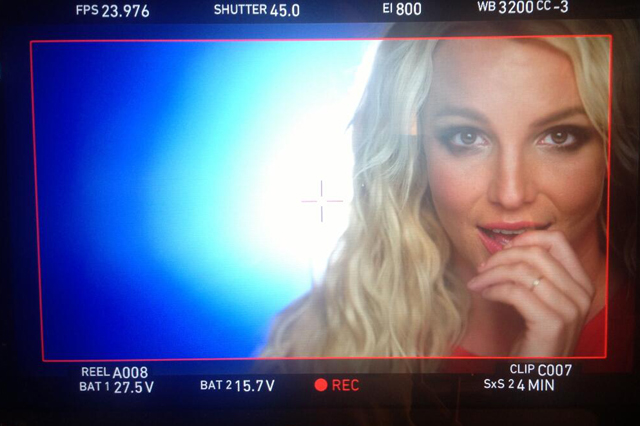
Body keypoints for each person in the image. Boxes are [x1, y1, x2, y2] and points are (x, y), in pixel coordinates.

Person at [260, 21, 638, 372]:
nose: (510, 194)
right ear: (417, 153)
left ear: (609, 148)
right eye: (466, 137)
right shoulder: (332, 336)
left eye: (559, 137)